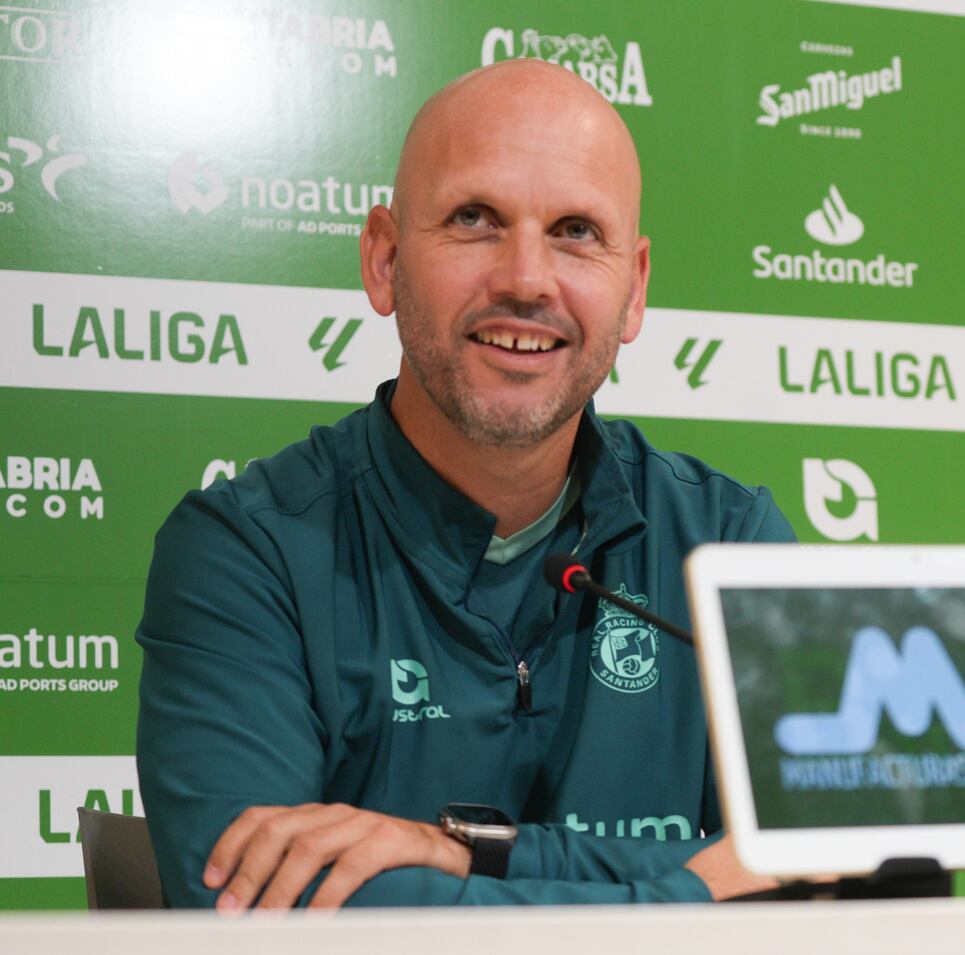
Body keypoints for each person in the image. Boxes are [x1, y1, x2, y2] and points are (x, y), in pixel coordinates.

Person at [135, 60, 789, 910]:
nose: (526, 279)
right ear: (385, 258)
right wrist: (687, 893)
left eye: (577, 231)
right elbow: (270, 914)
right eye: (475, 219)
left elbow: (837, 876)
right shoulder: (244, 553)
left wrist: (456, 853)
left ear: (635, 290)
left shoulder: (729, 541)